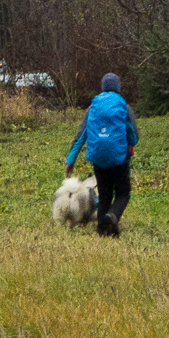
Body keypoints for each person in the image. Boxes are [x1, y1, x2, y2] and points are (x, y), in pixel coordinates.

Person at [65, 72, 137, 236]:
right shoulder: (124, 106)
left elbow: (80, 137)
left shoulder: (93, 107)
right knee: (123, 193)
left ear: (103, 87)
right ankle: (112, 216)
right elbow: (134, 135)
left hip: (98, 158)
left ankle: (102, 230)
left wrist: (70, 161)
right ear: (118, 88)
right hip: (120, 159)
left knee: (104, 195)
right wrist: (130, 144)